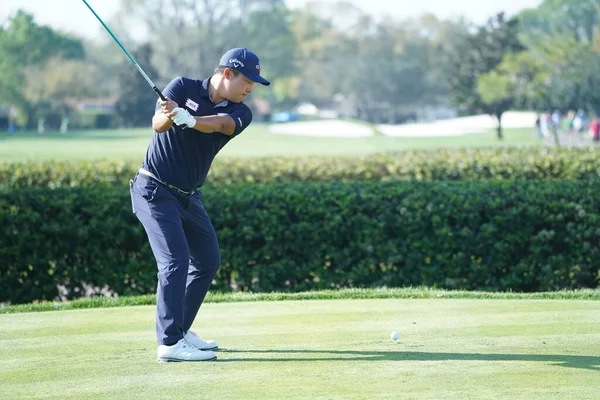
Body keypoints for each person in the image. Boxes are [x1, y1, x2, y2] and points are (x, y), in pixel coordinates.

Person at [129, 48, 270, 362]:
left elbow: (221, 125)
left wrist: (191, 119)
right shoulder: (182, 87)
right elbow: (157, 125)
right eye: (247, 80)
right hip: (154, 188)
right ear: (227, 73)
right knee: (175, 260)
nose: (250, 88)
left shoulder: (242, 112)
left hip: (188, 195)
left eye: (254, 83)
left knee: (207, 260)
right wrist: (169, 114)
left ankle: (180, 329)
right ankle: (169, 344)